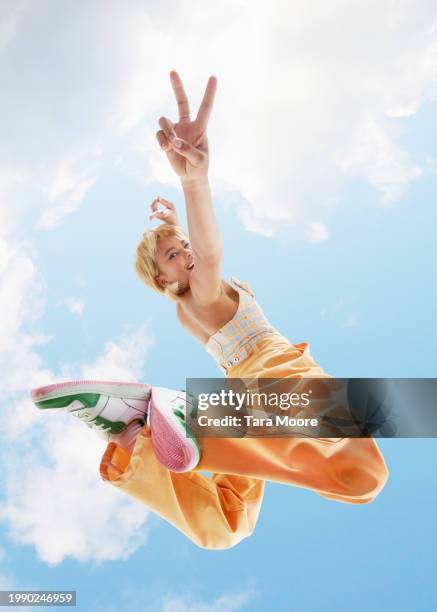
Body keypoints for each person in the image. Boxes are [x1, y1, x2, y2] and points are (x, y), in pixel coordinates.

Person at [31, 70, 389, 550]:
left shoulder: (188, 306)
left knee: (225, 525)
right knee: (362, 473)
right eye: (174, 256)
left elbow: (195, 251)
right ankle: (191, 423)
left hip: (246, 402)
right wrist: (195, 181)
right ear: (164, 280)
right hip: (281, 377)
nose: (187, 254)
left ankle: (136, 443)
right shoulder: (203, 292)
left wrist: (175, 224)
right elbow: (210, 252)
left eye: (183, 246)